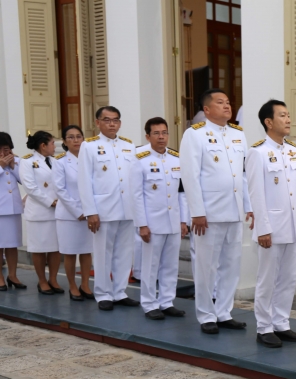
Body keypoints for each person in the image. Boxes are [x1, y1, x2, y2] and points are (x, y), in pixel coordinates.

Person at [180, 88, 253, 334]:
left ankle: (224, 312)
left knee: (231, 265)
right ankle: (206, 315)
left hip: (234, 210)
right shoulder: (194, 134)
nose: (227, 106)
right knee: (205, 266)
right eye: (220, 102)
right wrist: (197, 212)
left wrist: (249, 206)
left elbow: (243, 175)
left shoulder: (237, 134)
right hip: (208, 214)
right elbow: (190, 176)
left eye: (228, 101)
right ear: (207, 109)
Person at [246, 99, 296, 347]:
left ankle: (281, 323)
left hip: (293, 225)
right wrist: (263, 228)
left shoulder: (294, 151)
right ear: (268, 122)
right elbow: (256, 193)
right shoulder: (257, 152)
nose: (288, 120)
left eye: (288, 115)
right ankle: (264, 327)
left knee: (288, 278)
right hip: (271, 227)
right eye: (282, 116)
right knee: (267, 279)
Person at [77, 105, 140, 310]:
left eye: (115, 120)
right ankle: (103, 293)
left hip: (127, 208)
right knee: (103, 252)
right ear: (97, 122)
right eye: (107, 120)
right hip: (103, 209)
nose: (112, 124)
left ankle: (119, 291)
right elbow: (84, 181)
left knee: (124, 252)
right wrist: (91, 211)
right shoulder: (89, 146)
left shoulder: (129, 146)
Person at [132, 117, 189, 320]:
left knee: (170, 264)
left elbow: (181, 193)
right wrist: (142, 225)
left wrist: (184, 220)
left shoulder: (176, 158)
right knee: (150, 265)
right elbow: (137, 195)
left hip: (173, 221)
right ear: (147, 136)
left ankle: (166, 301)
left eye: (164, 132)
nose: (161, 137)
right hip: (152, 223)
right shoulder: (139, 158)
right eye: (156, 133)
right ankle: (149, 304)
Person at [52, 125, 94, 300]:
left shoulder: (90, 159)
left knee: (86, 251)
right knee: (70, 253)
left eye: (79, 136)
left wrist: (91, 210)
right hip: (69, 215)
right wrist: (78, 211)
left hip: (89, 213)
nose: (76, 140)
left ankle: (85, 284)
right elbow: (60, 190)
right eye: (71, 137)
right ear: (64, 141)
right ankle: (72, 286)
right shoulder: (60, 161)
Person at [19, 131, 63, 295]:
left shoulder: (55, 161)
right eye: (52, 143)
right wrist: (50, 202)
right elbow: (30, 187)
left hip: (57, 211)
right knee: (39, 248)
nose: (54, 146)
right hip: (39, 212)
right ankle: (42, 281)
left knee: (55, 248)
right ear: (43, 145)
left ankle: (53, 279)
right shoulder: (27, 162)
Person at [0, 132, 26, 291]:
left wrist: (13, 166)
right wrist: (1, 167)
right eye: (0, 150)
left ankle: (13, 275)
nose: (3, 153)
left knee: (12, 245)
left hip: (13, 209)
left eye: (6, 149)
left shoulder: (17, 161)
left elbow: (24, 180)